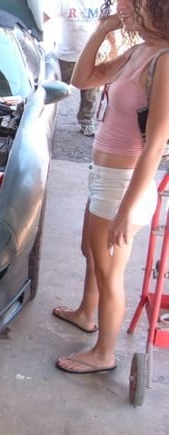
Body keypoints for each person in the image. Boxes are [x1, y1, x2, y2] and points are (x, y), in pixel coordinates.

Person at [53, 0, 169, 374]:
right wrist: (102, 31)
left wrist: (126, 211)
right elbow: (82, 80)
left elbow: (155, 144)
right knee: (90, 249)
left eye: (136, 6)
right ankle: (87, 312)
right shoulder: (140, 51)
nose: (126, 10)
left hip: (124, 184)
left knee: (109, 271)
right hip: (103, 175)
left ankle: (104, 353)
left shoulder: (164, 61)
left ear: (157, 11)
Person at [43, 0, 104, 137]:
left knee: (90, 93)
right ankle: (41, 118)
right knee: (53, 90)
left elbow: (107, 25)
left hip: (91, 56)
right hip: (65, 56)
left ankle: (86, 120)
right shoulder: (66, 2)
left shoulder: (101, 3)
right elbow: (44, 16)